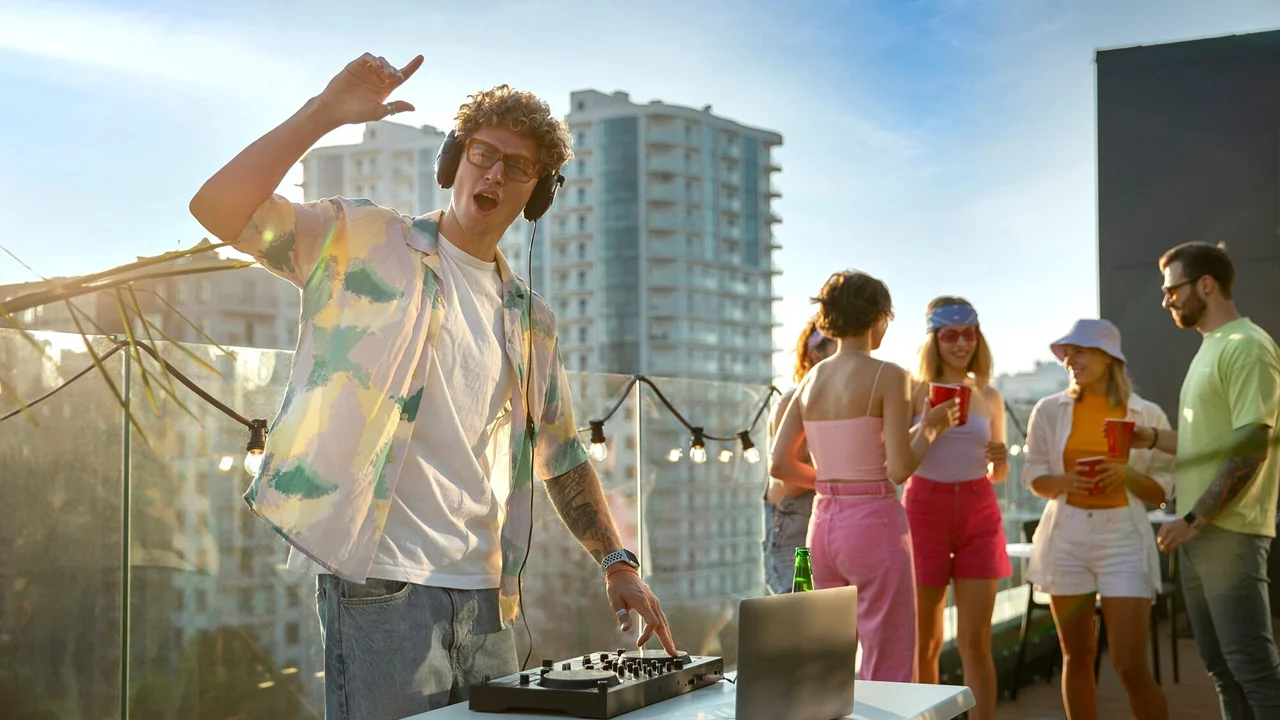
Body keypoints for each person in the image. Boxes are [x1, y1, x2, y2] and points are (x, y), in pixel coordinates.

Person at [188, 53, 675, 719]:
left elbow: (561, 455)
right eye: (483, 153)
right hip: (382, 587)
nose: (495, 173)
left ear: (538, 193)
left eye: (518, 166)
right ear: (454, 160)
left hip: (490, 598)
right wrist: (324, 112)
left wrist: (618, 563)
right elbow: (217, 207)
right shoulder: (362, 240)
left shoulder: (531, 318)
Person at [770, 270, 957, 682]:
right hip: (874, 523)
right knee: (889, 657)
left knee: (832, 653)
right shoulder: (889, 375)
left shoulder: (810, 381)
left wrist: (832, 483)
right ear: (878, 317)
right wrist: (930, 429)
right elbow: (899, 468)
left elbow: (779, 465)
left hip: (823, 525)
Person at [1136, 242, 1280, 719]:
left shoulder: (1246, 346)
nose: (1166, 300)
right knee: (1222, 669)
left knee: (1253, 671)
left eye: (1172, 289)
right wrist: (1149, 437)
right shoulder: (1210, 348)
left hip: (1228, 533)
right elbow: (1206, 443)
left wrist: (1195, 519)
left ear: (1205, 285)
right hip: (1200, 535)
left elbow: (1252, 445)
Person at [1023, 319, 1172, 720]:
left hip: (1123, 538)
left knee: (1129, 664)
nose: (1071, 359)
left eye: (1081, 350)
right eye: (1067, 352)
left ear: (1109, 358)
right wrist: (1066, 481)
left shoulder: (1147, 414)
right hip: (1067, 536)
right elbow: (1035, 478)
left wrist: (1126, 475)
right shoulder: (1048, 410)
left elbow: (1162, 492)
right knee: (1077, 656)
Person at [903, 297, 1010, 720]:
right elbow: (897, 458)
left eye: (969, 333)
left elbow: (998, 473)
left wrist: (1000, 461)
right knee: (925, 643)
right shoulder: (913, 392)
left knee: (976, 642)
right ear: (934, 339)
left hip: (979, 509)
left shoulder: (989, 395)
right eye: (951, 335)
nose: (962, 343)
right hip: (924, 509)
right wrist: (927, 425)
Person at [763, 318, 835, 594]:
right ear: (816, 353)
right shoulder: (792, 402)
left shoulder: (840, 404)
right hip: (792, 524)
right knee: (800, 611)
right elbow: (791, 485)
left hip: (825, 519)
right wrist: (848, 472)